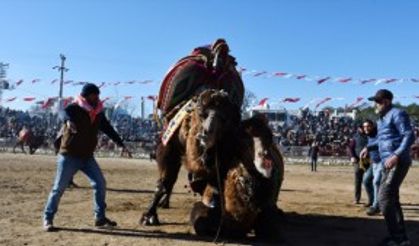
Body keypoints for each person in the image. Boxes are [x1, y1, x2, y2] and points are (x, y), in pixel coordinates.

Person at [43, 83, 132, 232]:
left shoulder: (97, 113)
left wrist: (122, 144)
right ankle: (48, 218)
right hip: (69, 155)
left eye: (97, 95)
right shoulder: (74, 108)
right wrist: (68, 121)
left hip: (87, 157)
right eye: (94, 95)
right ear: (86, 96)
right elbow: (63, 114)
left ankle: (100, 217)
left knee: (100, 184)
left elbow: (109, 129)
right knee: (59, 188)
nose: (97, 98)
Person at [361, 89, 414, 246]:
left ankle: (397, 238)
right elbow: (383, 141)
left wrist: (396, 155)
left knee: (384, 198)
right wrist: (369, 147)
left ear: (386, 101)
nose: (374, 105)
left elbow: (409, 135)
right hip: (387, 161)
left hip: (397, 161)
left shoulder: (397, 114)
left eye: (377, 101)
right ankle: (401, 238)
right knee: (392, 199)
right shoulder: (381, 119)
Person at [361, 119, 382, 216]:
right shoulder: (368, 135)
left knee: (376, 182)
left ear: (372, 126)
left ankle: (376, 205)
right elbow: (371, 145)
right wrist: (367, 152)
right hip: (373, 163)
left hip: (382, 161)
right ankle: (373, 200)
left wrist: (367, 148)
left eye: (368, 126)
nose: (366, 128)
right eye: (364, 126)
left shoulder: (378, 133)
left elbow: (379, 142)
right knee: (366, 180)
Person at [348, 124, 368, 204]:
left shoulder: (370, 136)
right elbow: (350, 148)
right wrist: (352, 156)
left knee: (369, 180)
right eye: (362, 127)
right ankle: (357, 198)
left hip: (368, 160)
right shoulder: (355, 137)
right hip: (358, 161)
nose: (363, 129)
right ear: (359, 128)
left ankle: (373, 199)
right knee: (358, 181)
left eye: (364, 127)